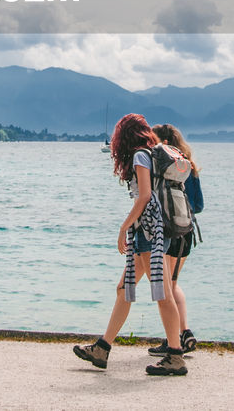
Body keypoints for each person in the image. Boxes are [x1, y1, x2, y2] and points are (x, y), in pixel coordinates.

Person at [73, 113, 187, 376]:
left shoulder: (139, 156)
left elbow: (145, 196)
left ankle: (175, 356)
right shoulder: (149, 153)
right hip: (154, 229)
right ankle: (102, 349)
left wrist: (124, 227)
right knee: (125, 287)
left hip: (149, 231)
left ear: (123, 136)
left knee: (162, 293)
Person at [149, 123, 202, 356]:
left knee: (167, 288)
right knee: (172, 284)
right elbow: (199, 205)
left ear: (165, 143)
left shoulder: (165, 166)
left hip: (170, 231)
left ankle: (177, 339)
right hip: (188, 232)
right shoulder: (188, 166)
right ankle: (183, 333)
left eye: (154, 141)